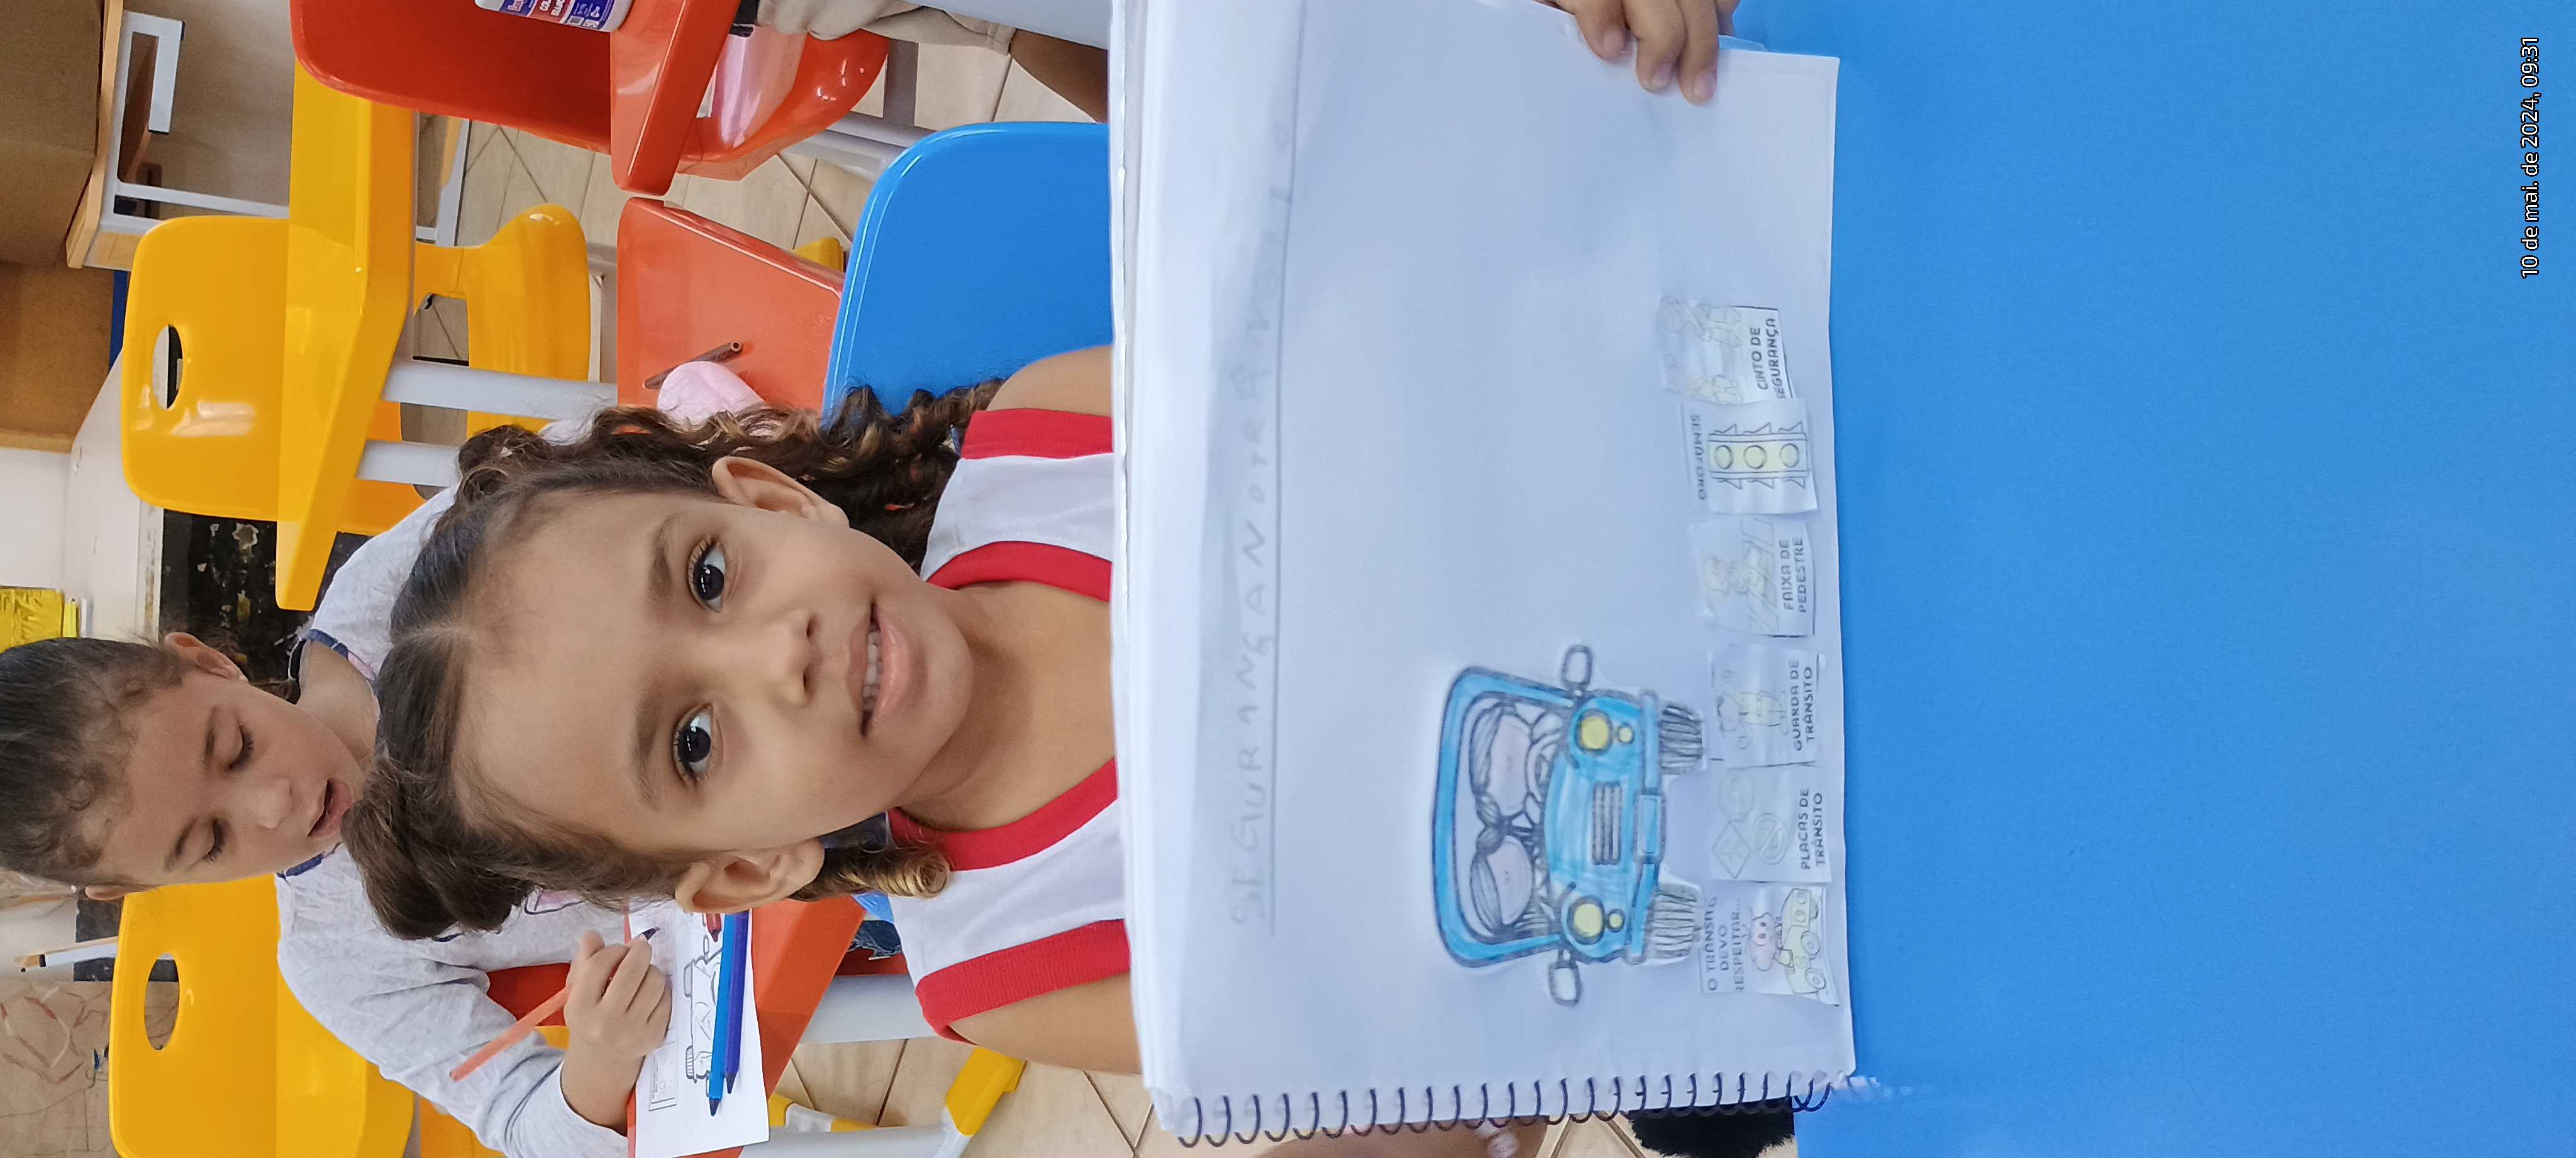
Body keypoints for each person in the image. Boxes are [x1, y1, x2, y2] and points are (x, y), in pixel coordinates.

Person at [0, 361, 797, 1156]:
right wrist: (598, 1064)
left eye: (236, 747)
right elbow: (528, 1127)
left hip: (788, 671)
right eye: (211, 841)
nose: (275, 805)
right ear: (147, 886)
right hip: (780, 887)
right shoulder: (339, 958)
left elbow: (573, 465)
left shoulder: (382, 598)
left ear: (209, 663)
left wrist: (694, 440)